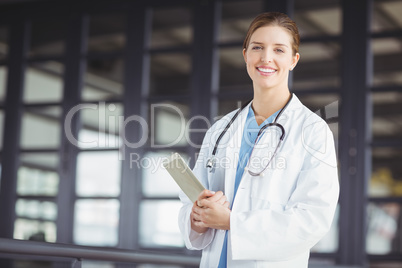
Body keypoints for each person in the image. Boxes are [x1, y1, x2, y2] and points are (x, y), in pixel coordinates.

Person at [178, 12, 339, 267]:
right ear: (245, 55)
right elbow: (191, 202)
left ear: (293, 60)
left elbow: (313, 219)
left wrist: (232, 222)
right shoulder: (221, 129)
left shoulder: (313, 131)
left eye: (279, 50)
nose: (266, 58)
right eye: (258, 47)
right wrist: (196, 217)